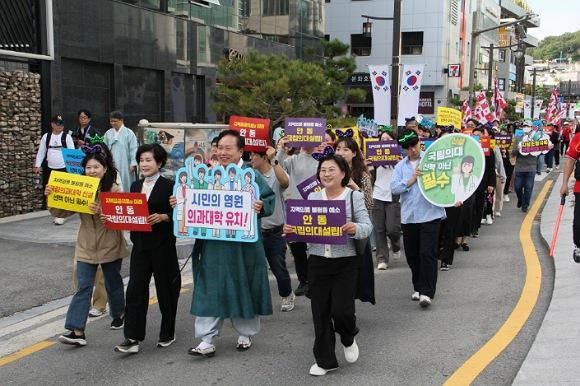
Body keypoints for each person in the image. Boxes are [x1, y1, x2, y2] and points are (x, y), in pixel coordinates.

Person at [176, 129, 275, 357]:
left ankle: (245, 333)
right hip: (214, 245)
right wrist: (179, 200)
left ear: (241, 151)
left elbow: (269, 199)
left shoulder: (251, 176)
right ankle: (206, 339)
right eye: (219, 148)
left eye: (228, 148)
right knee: (210, 287)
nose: (222, 152)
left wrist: (261, 206)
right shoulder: (207, 175)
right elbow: (189, 201)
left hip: (244, 246)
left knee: (245, 283)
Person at [284, 154, 372, 376]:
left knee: (342, 310)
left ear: (343, 173)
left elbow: (366, 226)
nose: (326, 174)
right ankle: (325, 361)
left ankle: (348, 336)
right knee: (320, 312)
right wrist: (291, 231)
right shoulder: (313, 198)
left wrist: (354, 228)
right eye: (323, 170)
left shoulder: (354, 197)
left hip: (346, 262)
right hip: (318, 261)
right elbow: (304, 229)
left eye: (332, 169)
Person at [48, 144, 127, 346]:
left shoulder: (114, 189)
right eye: (88, 168)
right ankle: (76, 331)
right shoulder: (79, 188)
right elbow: (60, 213)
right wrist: (52, 197)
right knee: (83, 287)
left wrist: (101, 210)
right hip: (85, 246)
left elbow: (120, 220)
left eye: (96, 167)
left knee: (113, 284)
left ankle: (119, 313)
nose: (92, 171)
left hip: (110, 245)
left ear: (105, 169)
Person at [113, 144, 181, 354]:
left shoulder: (171, 186)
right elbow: (129, 214)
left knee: (166, 290)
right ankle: (132, 337)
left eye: (149, 160)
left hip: (163, 246)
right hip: (140, 246)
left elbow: (182, 215)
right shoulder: (134, 186)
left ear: (159, 162)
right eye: (142, 160)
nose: (144, 164)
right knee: (134, 291)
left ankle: (167, 332)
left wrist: (165, 217)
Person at [391, 129, 446, 308]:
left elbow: (447, 180)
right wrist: (411, 180)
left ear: (419, 143)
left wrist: (454, 198)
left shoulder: (431, 159)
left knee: (427, 253)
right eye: (408, 148)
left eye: (414, 146)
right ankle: (418, 286)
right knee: (413, 255)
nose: (412, 150)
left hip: (431, 214)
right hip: (409, 217)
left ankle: (427, 292)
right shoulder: (400, 167)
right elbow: (394, 188)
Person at [250, 147, 295, 312]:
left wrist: (274, 159)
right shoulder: (250, 176)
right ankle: (256, 302)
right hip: (254, 232)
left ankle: (287, 294)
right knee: (254, 269)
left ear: (263, 157)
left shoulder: (275, 174)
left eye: (254, 155)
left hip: (274, 231)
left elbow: (285, 182)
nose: (251, 158)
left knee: (278, 268)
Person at [276, 136, 321, 296]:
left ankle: (316, 278)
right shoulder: (293, 160)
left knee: (317, 244)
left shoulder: (322, 158)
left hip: (318, 206)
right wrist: (282, 149)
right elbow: (277, 166)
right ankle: (304, 280)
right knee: (297, 246)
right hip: (296, 206)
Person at [34, 114, 75, 225]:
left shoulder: (67, 137)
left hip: (64, 169)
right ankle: (57, 212)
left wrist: (73, 170)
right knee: (53, 191)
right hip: (51, 169)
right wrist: (38, 165)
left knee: (64, 191)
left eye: (62, 124)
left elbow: (72, 153)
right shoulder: (46, 137)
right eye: (57, 124)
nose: (60, 126)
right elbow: (41, 152)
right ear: (52, 124)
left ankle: (63, 214)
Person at [370, 130, 401, 270]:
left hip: (393, 196)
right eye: (382, 139)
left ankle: (396, 245)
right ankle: (382, 258)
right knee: (379, 229)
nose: (385, 141)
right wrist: (366, 165)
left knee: (393, 228)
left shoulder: (400, 159)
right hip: (377, 195)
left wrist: (401, 163)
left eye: (388, 139)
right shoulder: (374, 159)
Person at [104, 111, 138, 192]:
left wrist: (133, 163)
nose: (113, 123)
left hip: (125, 162)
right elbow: (104, 147)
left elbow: (134, 148)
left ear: (121, 121)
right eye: (111, 121)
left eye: (115, 121)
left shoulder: (129, 133)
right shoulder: (108, 133)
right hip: (112, 162)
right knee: (113, 180)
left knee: (126, 181)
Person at [559, 129, 580, 263]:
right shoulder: (578, 138)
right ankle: (578, 245)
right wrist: (564, 183)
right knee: (578, 222)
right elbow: (570, 161)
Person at [512, 122, 538, 213]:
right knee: (517, 187)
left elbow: (542, 150)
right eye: (524, 126)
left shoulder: (536, 138)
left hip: (531, 167)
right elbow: (513, 153)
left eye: (528, 126)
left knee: (528, 187)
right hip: (520, 167)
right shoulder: (518, 138)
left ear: (531, 128)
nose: (526, 128)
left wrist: (548, 147)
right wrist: (518, 149)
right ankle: (520, 199)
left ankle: (525, 205)